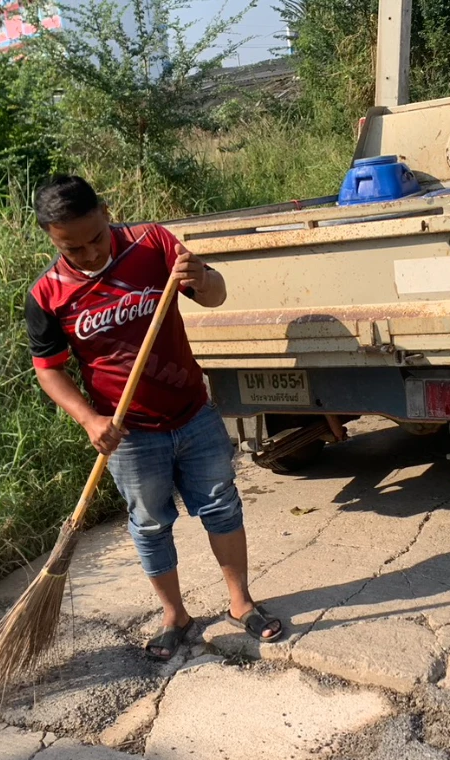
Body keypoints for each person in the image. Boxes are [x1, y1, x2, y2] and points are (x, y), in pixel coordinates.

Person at [25, 175, 283, 660]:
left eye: (95, 238)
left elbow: (215, 295)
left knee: (222, 507)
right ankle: (175, 616)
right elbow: (49, 371)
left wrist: (200, 277)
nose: (89, 254)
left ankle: (241, 603)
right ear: (50, 237)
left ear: (106, 212)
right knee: (149, 525)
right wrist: (88, 419)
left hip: (193, 413)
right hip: (129, 434)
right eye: (72, 248)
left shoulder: (152, 243)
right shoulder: (47, 295)